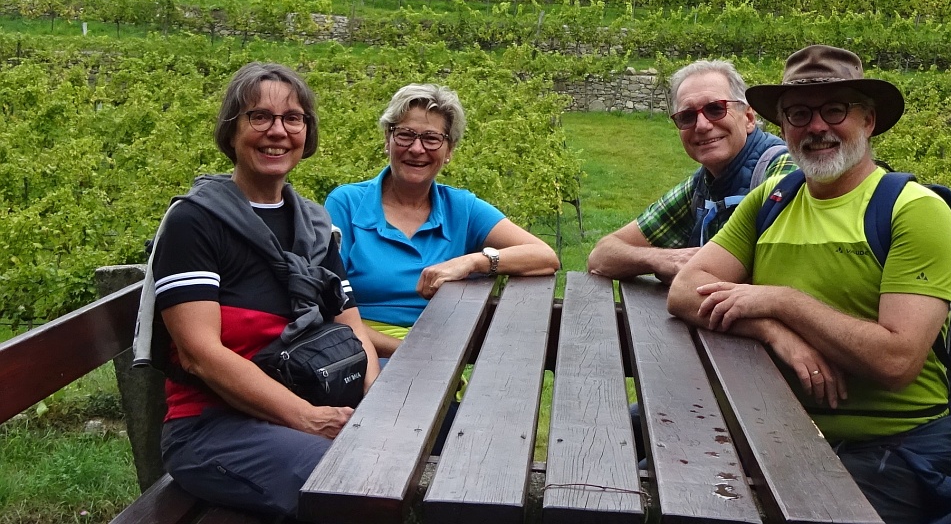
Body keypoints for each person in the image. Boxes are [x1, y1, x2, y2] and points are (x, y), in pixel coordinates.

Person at [668, 45, 951, 524]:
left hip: (889, 449)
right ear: (783, 127)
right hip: (780, 431)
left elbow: (897, 361)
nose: (816, 127)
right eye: (799, 114)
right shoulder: (773, 200)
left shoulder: (913, 211)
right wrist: (772, 330)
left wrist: (783, 302)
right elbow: (685, 290)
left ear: (868, 121)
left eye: (835, 110)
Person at [138, 61, 380, 519]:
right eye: (260, 117)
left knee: (428, 425)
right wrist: (309, 419)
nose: (278, 131)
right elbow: (200, 354)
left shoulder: (314, 224)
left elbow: (351, 327)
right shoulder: (195, 222)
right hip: (214, 427)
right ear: (232, 130)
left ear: (307, 133)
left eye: (293, 118)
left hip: (313, 391)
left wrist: (372, 394)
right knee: (349, 478)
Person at [325, 83, 559, 359]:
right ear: (388, 140)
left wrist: (472, 261)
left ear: (449, 150)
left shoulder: (461, 208)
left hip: (439, 356)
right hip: (364, 355)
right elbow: (331, 308)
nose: (417, 148)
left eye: (431, 138)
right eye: (405, 135)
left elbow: (545, 256)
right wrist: (413, 354)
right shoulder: (347, 204)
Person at [587, 59, 794, 281]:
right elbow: (601, 255)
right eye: (687, 116)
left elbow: (780, 273)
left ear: (749, 118)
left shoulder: (784, 173)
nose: (702, 125)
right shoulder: (701, 187)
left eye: (716, 109)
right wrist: (664, 259)